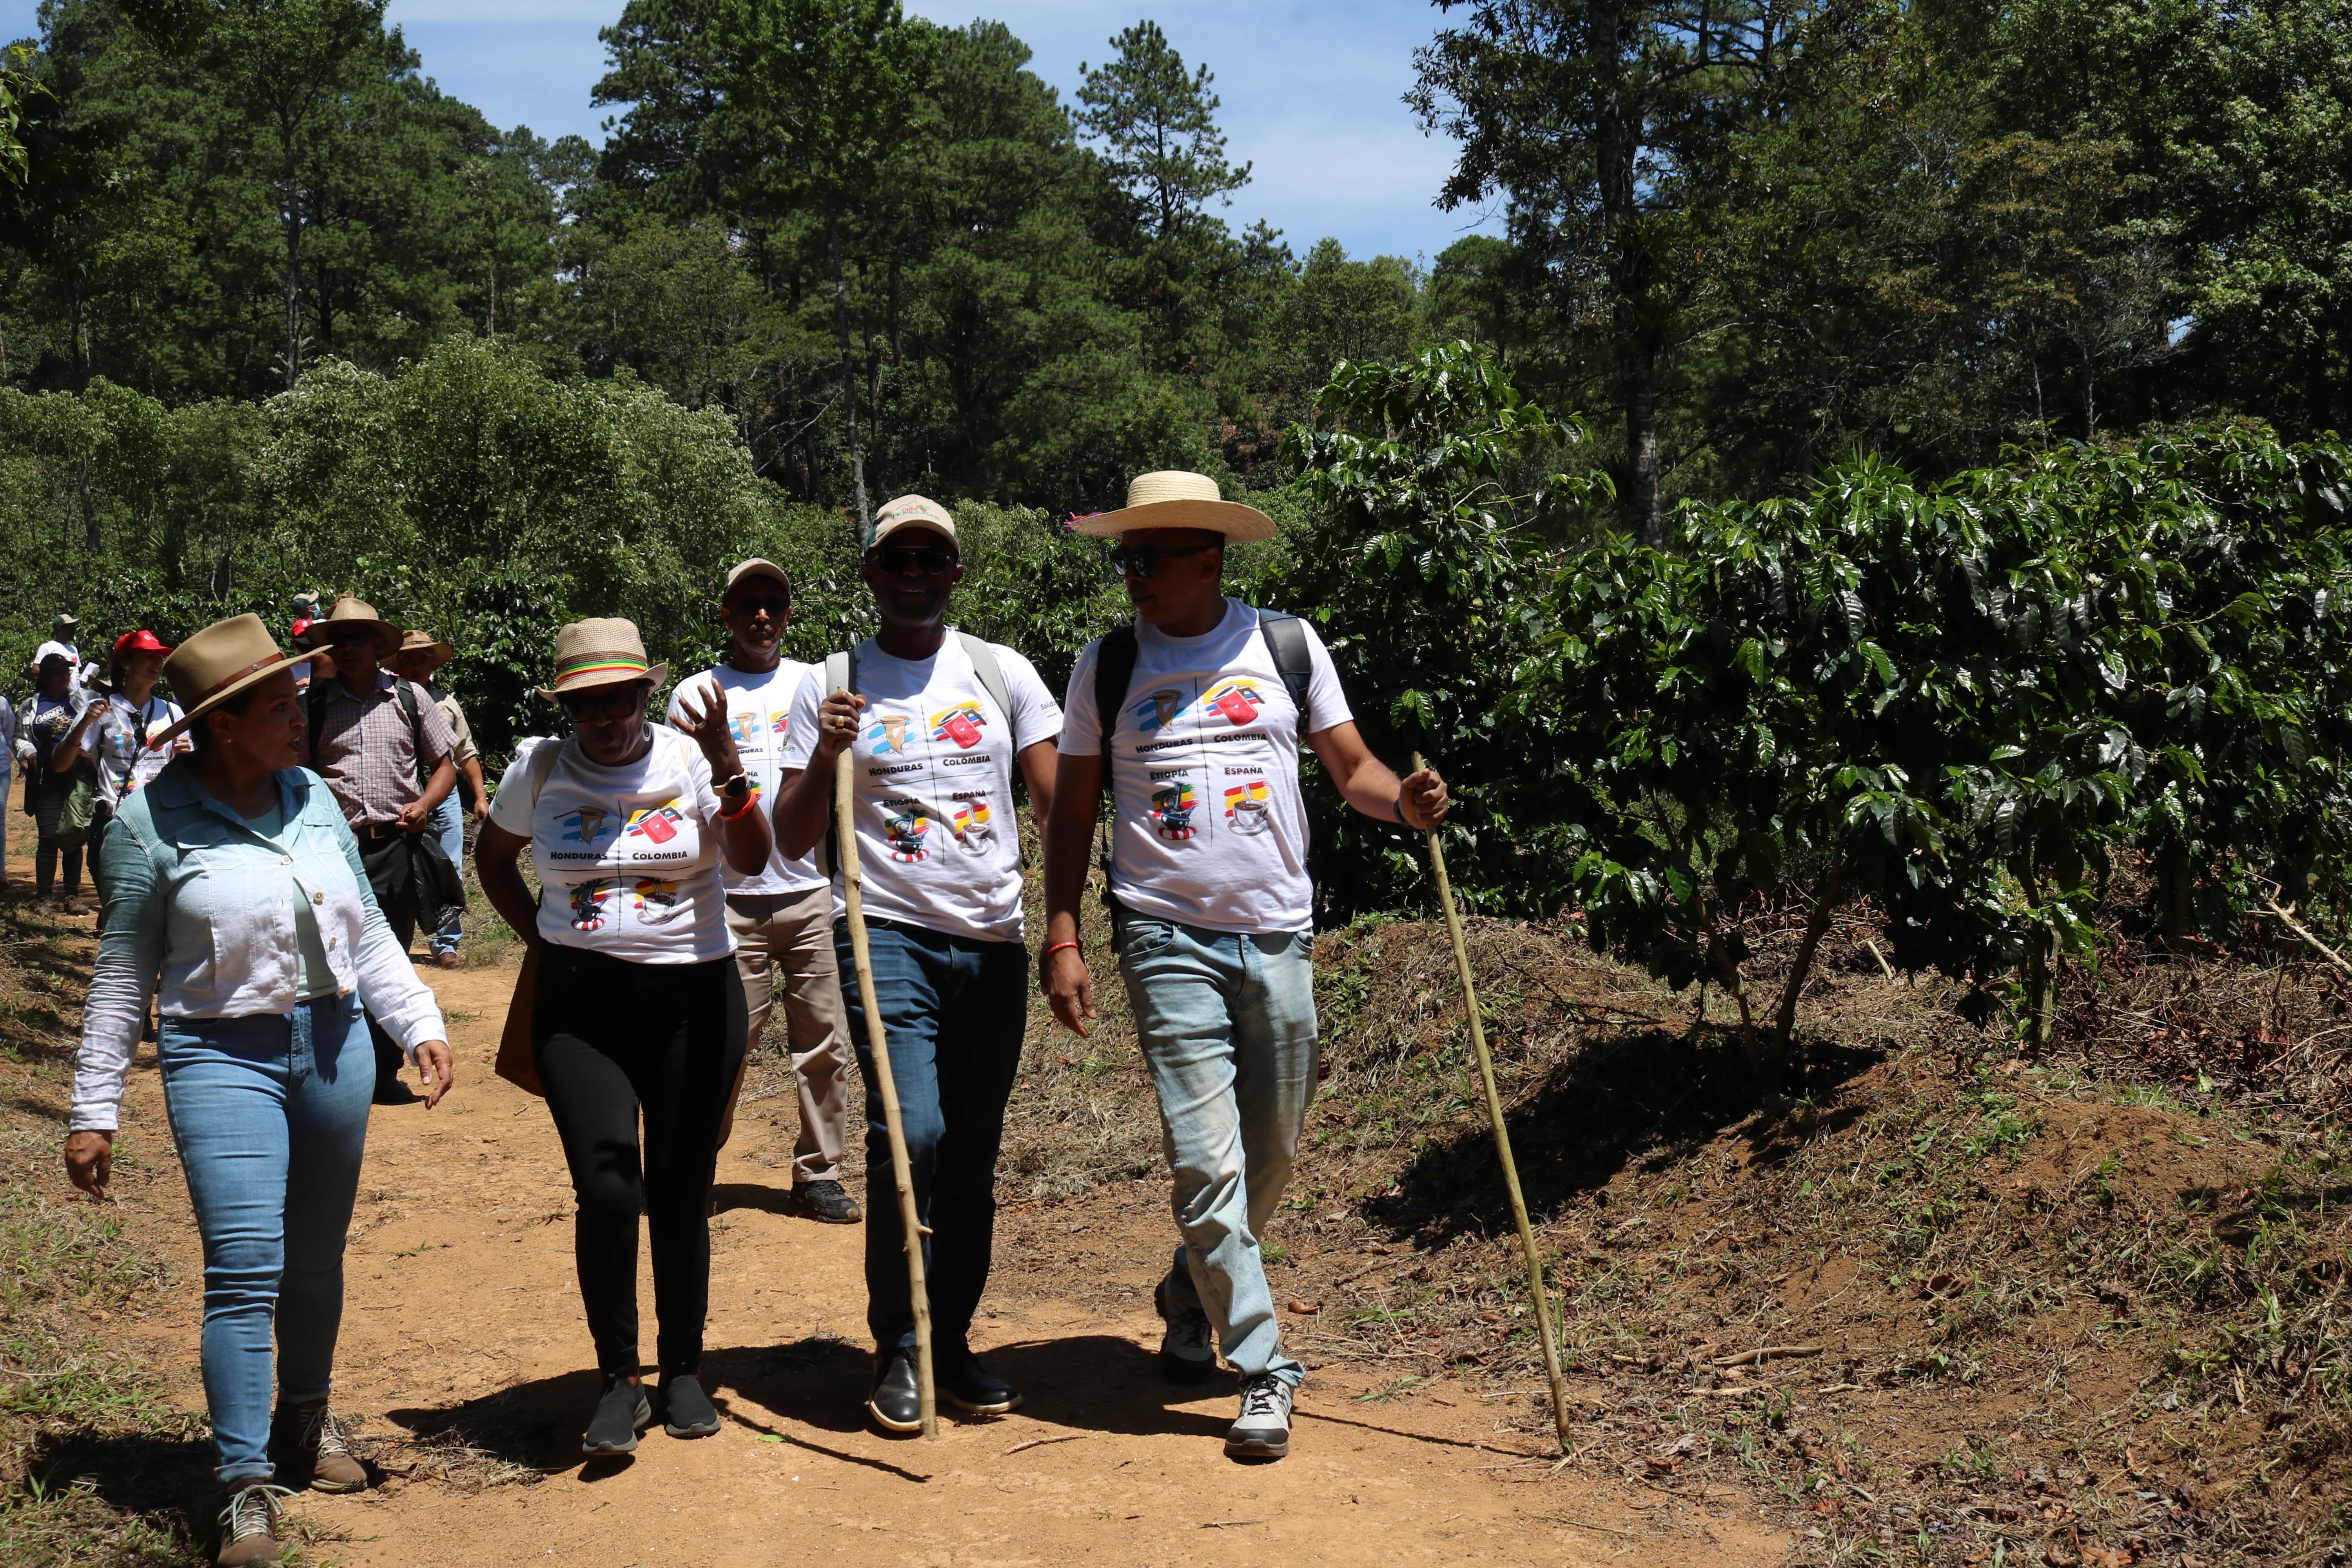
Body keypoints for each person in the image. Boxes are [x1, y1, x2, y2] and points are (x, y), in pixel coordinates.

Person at [1041, 470, 1451, 1463]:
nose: (1131, 575)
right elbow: (1074, 811)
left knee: (1270, 1153)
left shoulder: (1286, 646)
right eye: (1124, 558)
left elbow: (1354, 771)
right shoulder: (1107, 664)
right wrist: (1062, 933)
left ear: (1210, 560)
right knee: (1205, 1160)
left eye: (1150, 559)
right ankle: (1264, 1363)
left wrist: (1408, 802)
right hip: (1162, 932)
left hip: (1276, 931)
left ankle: (1189, 1291)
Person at [62, 613, 453, 1567]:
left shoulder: (313, 795)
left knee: (315, 1260)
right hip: (218, 1054)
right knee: (244, 1266)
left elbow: (360, 935)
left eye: (298, 702)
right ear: (224, 723)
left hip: (333, 1047)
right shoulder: (149, 824)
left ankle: (304, 1423)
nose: (301, 719)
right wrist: (93, 1109)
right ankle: (244, 1483)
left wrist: (420, 1021)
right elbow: (122, 975)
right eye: (282, 706)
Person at [774, 494, 1063, 1434]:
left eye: (929, 558)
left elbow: (1062, 801)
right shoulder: (830, 683)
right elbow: (790, 832)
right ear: (870, 573)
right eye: (895, 558)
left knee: (972, 1157)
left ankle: (950, 1342)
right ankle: (897, 1343)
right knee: (915, 1135)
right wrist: (824, 750)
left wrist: (1068, 926)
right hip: (885, 932)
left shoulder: (1000, 671)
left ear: (954, 573)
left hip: (993, 943)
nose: (912, 573)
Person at [475, 618, 771, 1455]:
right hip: (582, 1007)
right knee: (608, 1190)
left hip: (696, 1000)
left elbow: (752, 859)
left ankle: (682, 1368)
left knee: (680, 1189)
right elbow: (493, 856)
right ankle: (617, 1378)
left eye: (621, 700)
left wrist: (729, 765)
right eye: (586, 705)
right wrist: (544, 940)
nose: (605, 719)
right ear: (565, 707)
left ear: (648, 693)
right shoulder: (539, 767)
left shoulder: (688, 759)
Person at [666, 559, 859, 1224]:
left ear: (787, 613)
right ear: (725, 614)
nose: (761, 616)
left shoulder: (815, 683)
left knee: (824, 1045)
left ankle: (819, 1174)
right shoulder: (695, 693)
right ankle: (692, 1166)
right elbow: (682, 795)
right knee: (724, 1044)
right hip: (726, 903)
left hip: (810, 894)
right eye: (748, 604)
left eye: (773, 603)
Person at [303, 596, 457, 1102]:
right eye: (339, 640)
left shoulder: (410, 697)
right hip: (330, 848)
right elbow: (297, 774)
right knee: (329, 953)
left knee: (388, 949)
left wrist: (424, 804)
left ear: (376, 645)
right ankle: (339, 1065)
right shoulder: (315, 703)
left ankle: (384, 1069)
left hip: (394, 845)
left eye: (358, 639)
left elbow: (446, 764)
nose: (348, 648)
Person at [53, 630, 190, 908]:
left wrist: (185, 754)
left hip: (162, 822)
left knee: (163, 906)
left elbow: (193, 771)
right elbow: (60, 764)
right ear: (126, 664)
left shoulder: (173, 713)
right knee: (120, 904)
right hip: (115, 822)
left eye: (160, 658)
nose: (158, 664)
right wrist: (82, 726)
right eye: (149, 657)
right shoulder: (102, 710)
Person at [390, 631, 489, 971]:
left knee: (448, 868)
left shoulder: (447, 703)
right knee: (396, 870)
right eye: (408, 659)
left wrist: (480, 796)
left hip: (443, 798)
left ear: (432, 663)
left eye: (422, 659)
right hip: (399, 795)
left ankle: (446, 944)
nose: (416, 665)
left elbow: (466, 753)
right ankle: (391, 946)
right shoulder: (387, 699)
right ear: (398, 664)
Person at [24, 652, 99, 914]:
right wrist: (26, 752)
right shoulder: (32, 705)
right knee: (47, 837)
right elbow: (19, 736)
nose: (66, 677)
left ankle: (72, 896)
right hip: (46, 778)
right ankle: (44, 898)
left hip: (76, 777)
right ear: (46, 676)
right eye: (60, 673)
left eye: (68, 672)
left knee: (73, 835)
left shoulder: (82, 699)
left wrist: (92, 755)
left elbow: (99, 728)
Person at [34, 611, 100, 693]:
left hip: (76, 694)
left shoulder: (73, 649)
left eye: (74, 628)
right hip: (58, 693)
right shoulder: (47, 647)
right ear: (59, 630)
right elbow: (35, 671)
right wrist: (57, 675)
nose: (73, 630)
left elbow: (75, 675)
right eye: (70, 628)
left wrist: (86, 677)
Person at [0, 684, 16, 884]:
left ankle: (1, 872)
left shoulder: (2, 703)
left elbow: (11, 734)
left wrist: (22, 759)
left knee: (0, 819)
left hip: (1, 767)